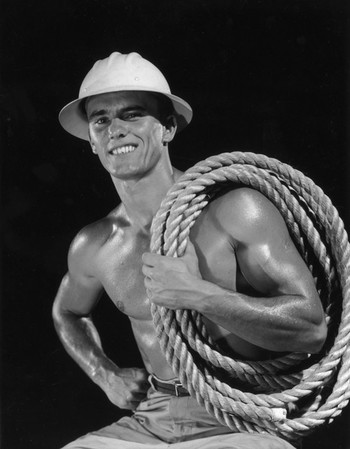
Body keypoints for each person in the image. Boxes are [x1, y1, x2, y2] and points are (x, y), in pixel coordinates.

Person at [53, 52, 327, 449]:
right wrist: (104, 373)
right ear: (92, 142)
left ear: (168, 129)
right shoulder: (96, 244)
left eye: (132, 115)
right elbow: (67, 311)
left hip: (240, 417)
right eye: (102, 120)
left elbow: (311, 328)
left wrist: (199, 295)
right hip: (152, 417)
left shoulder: (234, 211)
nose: (115, 129)